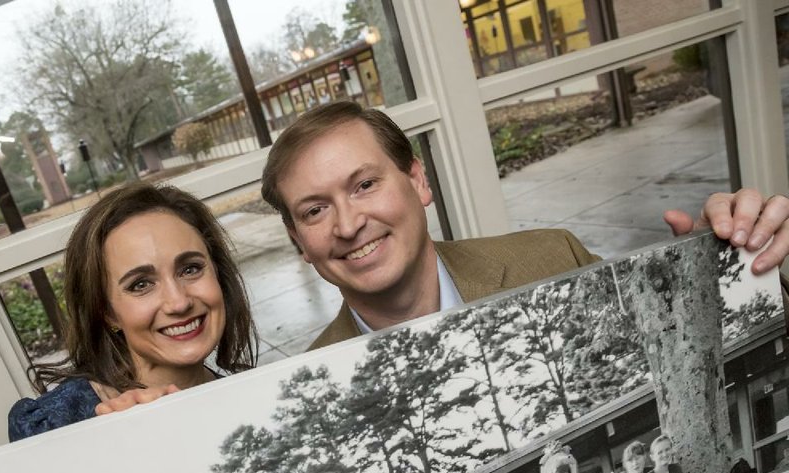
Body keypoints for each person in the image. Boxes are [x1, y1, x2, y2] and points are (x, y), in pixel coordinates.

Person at [260, 101, 789, 351]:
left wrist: (726, 272)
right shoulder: (304, 382)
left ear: (418, 181)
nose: (349, 223)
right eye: (314, 210)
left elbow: (694, 352)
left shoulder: (556, 258)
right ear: (299, 243)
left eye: (364, 185)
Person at [7, 183, 257, 441]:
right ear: (107, 312)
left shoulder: (250, 401)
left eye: (190, 269)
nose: (179, 302)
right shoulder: (54, 426)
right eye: (141, 284)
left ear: (218, 273)